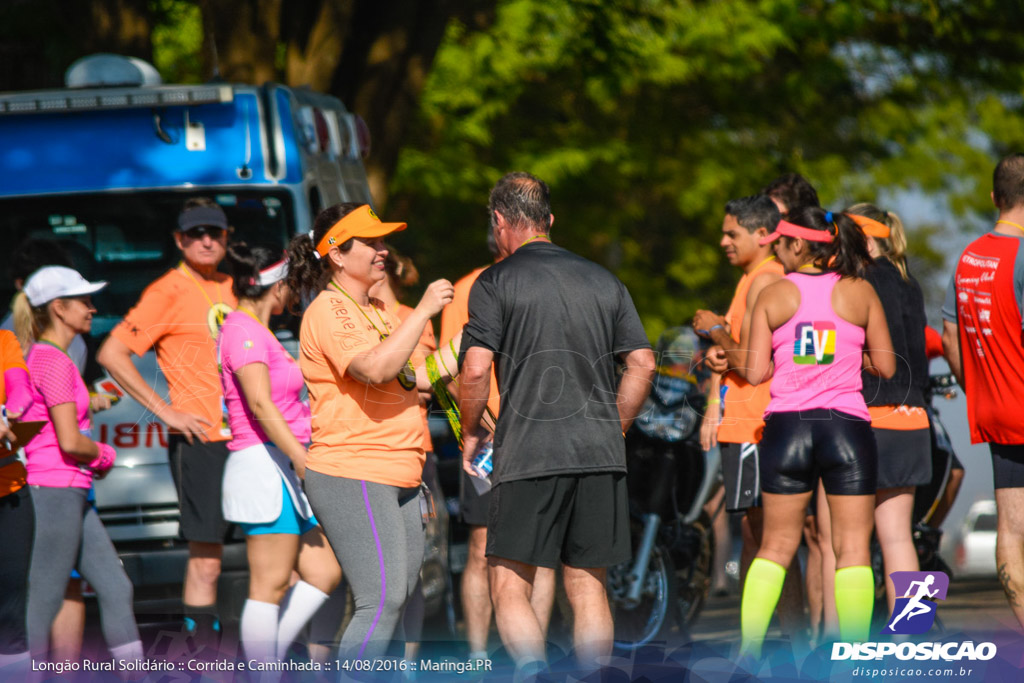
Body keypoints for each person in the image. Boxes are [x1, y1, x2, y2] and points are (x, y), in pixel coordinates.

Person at [458, 172, 656, 674]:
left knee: (507, 582)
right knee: (588, 585)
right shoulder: (603, 279)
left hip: (528, 451)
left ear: (500, 220)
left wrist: (471, 429)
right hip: (599, 453)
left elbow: (476, 368)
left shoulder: (495, 281)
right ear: (550, 220)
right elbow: (643, 363)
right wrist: (614, 429)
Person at [722, 207, 895, 657]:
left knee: (775, 548)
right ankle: (854, 658)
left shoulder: (774, 294)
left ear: (798, 245)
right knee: (853, 550)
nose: (776, 252)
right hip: (846, 429)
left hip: (787, 429)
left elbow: (756, 371)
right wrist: (843, 357)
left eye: (779, 244)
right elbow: (889, 366)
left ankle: (747, 653)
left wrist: (792, 356)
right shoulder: (860, 290)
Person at [286, 202, 453, 662]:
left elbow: (418, 376)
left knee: (397, 598)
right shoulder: (329, 310)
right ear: (337, 254)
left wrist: (484, 337)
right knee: (380, 602)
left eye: (383, 241)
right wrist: (421, 312)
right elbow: (377, 368)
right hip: (354, 471)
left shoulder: (377, 307)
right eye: (372, 242)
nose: (384, 251)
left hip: (400, 470)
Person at [97, 198, 237, 648]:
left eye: (214, 232)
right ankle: (203, 664)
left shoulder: (234, 286)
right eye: (196, 233)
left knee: (277, 554)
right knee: (207, 562)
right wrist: (166, 412)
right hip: (201, 439)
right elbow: (112, 354)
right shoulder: (168, 291)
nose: (206, 240)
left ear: (227, 237)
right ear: (179, 240)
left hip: (248, 440)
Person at [217, 243, 341, 665]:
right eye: (293, 283)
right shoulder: (242, 329)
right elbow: (259, 404)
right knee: (268, 586)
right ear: (279, 285)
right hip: (264, 465)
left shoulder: (257, 329)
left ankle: (270, 659)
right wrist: (302, 458)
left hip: (280, 464)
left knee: (324, 571)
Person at [692, 195, 809, 634]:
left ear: (764, 236)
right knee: (765, 541)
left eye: (732, 233)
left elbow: (758, 364)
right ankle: (786, 645)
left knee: (765, 543)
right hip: (744, 423)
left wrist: (713, 328)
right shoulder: (752, 279)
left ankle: (771, 646)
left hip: (756, 426)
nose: (723, 241)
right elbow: (747, 357)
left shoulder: (768, 279)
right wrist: (723, 357)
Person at [16, 266, 143, 662]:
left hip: (68, 489)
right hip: (54, 490)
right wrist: (106, 455)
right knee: (43, 601)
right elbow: (70, 441)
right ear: (59, 308)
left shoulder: (53, 357)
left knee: (116, 588)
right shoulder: (52, 360)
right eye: (85, 301)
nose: (92, 309)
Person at [439, 231, 555, 661]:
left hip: (542, 435)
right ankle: (477, 656)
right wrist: (482, 421)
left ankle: (532, 655)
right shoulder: (469, 288)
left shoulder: (544, 280)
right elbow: (450, 369)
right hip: (489, 440)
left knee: (542, 548)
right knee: (482, 545)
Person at [942, 153, 1024, 629]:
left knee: (1011, 529)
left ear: (995, 198)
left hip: (996, 412)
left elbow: (952, 339)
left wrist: (978, 392)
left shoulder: (969, 257)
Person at [846, 204, 931, 617]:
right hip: (914, 418)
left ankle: (851, 643)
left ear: (863, 235)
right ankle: (913, 634)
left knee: (852, 542)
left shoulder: (857, 282)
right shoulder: (908, 281)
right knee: (899, 537)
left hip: (870, 416)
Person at [0, 330, 34, 673]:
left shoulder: (3, 340)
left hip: (10, 490)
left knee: (11, 612)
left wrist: (13, 411)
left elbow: (20, 385)